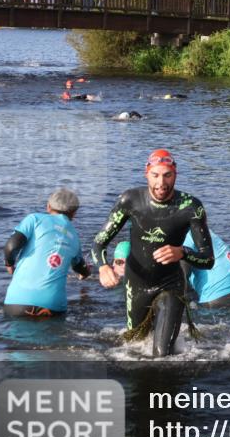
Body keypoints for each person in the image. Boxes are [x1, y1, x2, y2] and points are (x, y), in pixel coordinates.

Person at [91, 149, 214, 356]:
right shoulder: (130, 200)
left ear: (175, 175)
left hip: (170, 284)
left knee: (161, 352)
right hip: (136, 284)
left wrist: (182, 252)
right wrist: (103, 267)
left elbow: (208, 259)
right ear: (146, 174)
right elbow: (98, 244)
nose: (161, 183)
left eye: (167, 175)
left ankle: (165, 387)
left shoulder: (191, 207)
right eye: (155, 175)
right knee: (134, 348)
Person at [3, 189, 90, 318]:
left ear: (48, 207)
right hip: (53, 306)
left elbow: (11, 247)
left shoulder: (34, 219)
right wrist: (85, 273)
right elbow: (80, 267)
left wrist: (9, 264)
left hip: (17, 302)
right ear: (74, 214)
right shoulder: (75, 237)